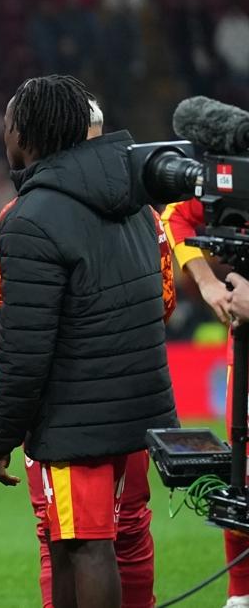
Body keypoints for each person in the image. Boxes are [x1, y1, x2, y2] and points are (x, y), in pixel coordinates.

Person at [0, 75, 178, 608]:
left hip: (75, 416)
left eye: (9, 125)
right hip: (139, 408)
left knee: (81, 543)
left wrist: (2, 434)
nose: (4, 135)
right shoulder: (141, 205)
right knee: (128, 530)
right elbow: (162, 302)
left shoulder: (26, 218)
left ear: (29, 133)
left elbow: (25, 344)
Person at [160, 187, 249, 608]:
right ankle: (240, 594)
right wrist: (208, 282)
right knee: (242, 474)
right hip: (245, 350)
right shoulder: (238, 178)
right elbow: (175, 216)